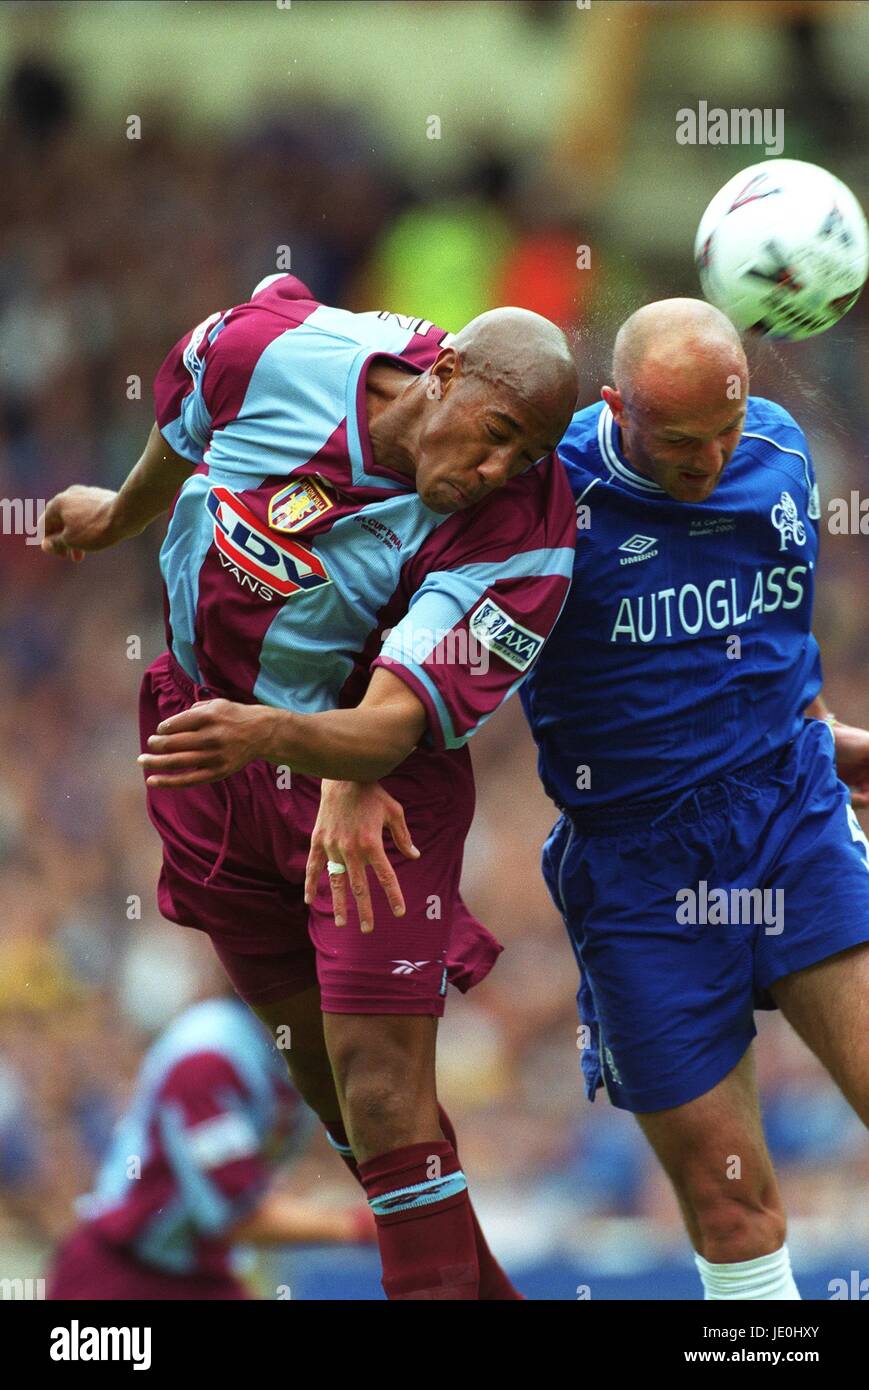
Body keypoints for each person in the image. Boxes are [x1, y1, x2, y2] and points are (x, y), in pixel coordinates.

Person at [41, 272, 578, 1299]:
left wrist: (289, 741)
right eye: (496, 431)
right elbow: (188, 416)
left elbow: (385, 724)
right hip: (211, 743)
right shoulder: (268, 350)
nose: (500, 466)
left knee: (382, 1094)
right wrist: (118, 516)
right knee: (346, 1110)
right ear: (444, 372)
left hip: (374, 791)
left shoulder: (521, 526)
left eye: (526, 453)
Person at [518, 297, 869, 1300]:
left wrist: (823, 733)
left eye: (724, 428)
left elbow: (778, 633)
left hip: (786, 816)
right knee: (730, 1206)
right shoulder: (540, 496)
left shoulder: (778, 452)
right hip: (636, 868)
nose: (711, 458)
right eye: (679, 440)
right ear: (614, 405)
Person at [46, 994, 373, 1300]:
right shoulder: (207, 1059)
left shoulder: (285, 1054)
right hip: (120, 1277)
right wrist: (360, 1225)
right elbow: (237, 1212)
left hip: (197, 1274)